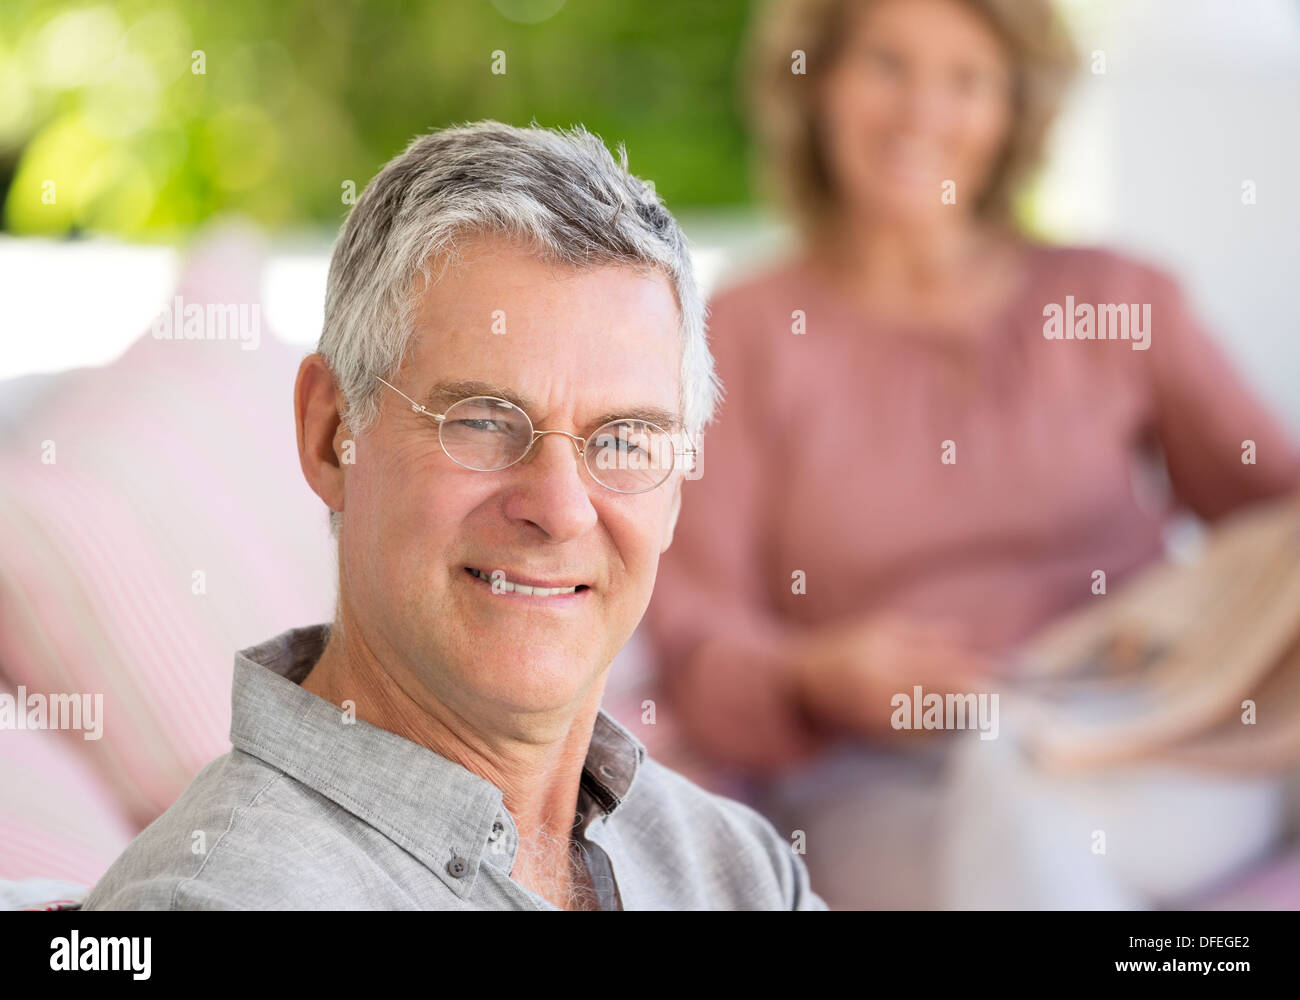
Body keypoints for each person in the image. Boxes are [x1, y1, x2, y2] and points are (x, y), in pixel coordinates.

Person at [643, 0, 1300, 908]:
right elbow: (695, 629)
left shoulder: (1117, 297)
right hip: (880, 778)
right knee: (1005, 795)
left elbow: (1280, 512)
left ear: (1015, 110)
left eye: (967, 79)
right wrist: (819, 675)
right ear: (818, 85)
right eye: (886, 65)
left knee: (1017, 785)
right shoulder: (746, 333)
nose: (922, 112)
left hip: (1141, 741)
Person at [82, 120, 824, 911]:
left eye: (623, 440)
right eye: (482, 419)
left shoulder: (739, 872)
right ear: (333, 436)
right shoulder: (223, 899)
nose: (562, 509)